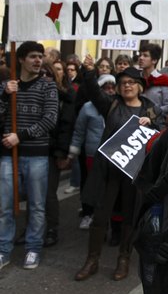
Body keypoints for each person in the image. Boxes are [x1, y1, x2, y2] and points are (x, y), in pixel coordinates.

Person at [74, 67, 161, 282]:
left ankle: (123, 259)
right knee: (101, 216)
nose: (127, 86)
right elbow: (93, 91)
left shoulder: (150, 110)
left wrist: (152, 124)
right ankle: (91, 260)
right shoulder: (111, 105)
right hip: (110, 172)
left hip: (134, 175)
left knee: (130, 217)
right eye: (123, 82)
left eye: (131, 82)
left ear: (140, 86)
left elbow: (160, 135)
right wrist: (88, 70)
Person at [0, 41, 58, 271]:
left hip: (36, 155)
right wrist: (5, 96)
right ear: (21, 59)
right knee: (4, 205)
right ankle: (3, 249)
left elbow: (49, 119)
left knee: (36, 204)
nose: (38, 61)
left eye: (40, 56)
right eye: (33, 56)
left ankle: (33, 247)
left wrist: (20, 136)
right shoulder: (6, 86)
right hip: (7, 155)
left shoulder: (48, 86)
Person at [68, 74, 115, 231]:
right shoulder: (87, 107)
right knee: (90, 185)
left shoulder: (117, 105)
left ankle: (106, 217)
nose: (109, 91)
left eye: (112, 88)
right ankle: (88, 214)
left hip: (111, 155)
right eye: (105, 88)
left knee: (108, 187)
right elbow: (79, 131)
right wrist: (73, 150)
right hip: (91, 154)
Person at [42, 60, 77, 248]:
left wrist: (62, 153)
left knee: (48, 193)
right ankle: (33, 227)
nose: (45, 78)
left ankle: (51, 229)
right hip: (34, 150)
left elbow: (66, 125)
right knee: (33, 194)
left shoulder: (66, 95)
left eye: (52, 73)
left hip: (52, 150)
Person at [138, 43, 168, 116]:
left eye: (145, 55)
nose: (141, 58)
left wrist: (151, 114)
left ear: (154, 60)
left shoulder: (163, 80)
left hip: (155, 122)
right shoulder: (136, 78)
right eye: (140, 55)